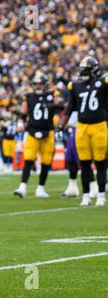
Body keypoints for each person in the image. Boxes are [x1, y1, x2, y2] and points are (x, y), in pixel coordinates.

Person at [61, 56, 107, 206]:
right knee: (84, 163)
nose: (82, 72)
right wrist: (61, 126)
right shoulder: (75, 85)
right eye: (81, 69)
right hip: (81, 127)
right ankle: (86, 195)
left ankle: (101, 195)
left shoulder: (103, 82)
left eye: (85, 69)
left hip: (99, 125)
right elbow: (70, 107)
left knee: (100, 163)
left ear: (94, 70)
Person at [14, 71, 64, 198]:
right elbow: (23, 113)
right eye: (36, 83)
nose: (38, 86)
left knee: (46, 162)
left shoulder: (52, 95)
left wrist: (53, 104)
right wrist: (20, 122)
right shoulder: (29, 96)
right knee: (29, 159)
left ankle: (41, 188)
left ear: (44, 84)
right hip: (32, 131)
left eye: (40, 83)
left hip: (48, 132)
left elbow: (62, 104)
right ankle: (22, 187)